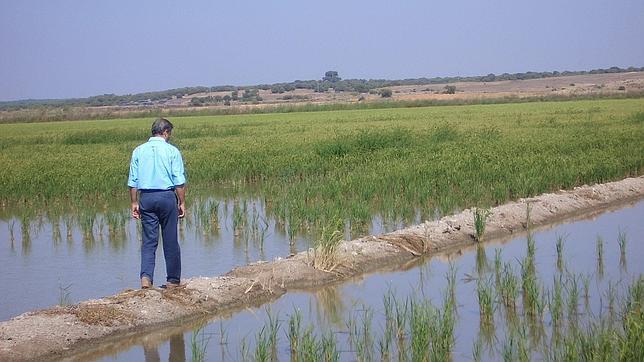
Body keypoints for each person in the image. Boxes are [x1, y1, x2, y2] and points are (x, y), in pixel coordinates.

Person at [127, 118, 186, 289]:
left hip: (146, 197)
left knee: (148, 241)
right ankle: (173, 280)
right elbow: (179, 181)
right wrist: (182, 202)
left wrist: (134, 203)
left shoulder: (138, 151)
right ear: (166, 132)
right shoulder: (172, 151)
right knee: (170, 240)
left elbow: (133, 181)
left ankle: (146, 279)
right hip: (167, 197)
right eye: (170, 133)